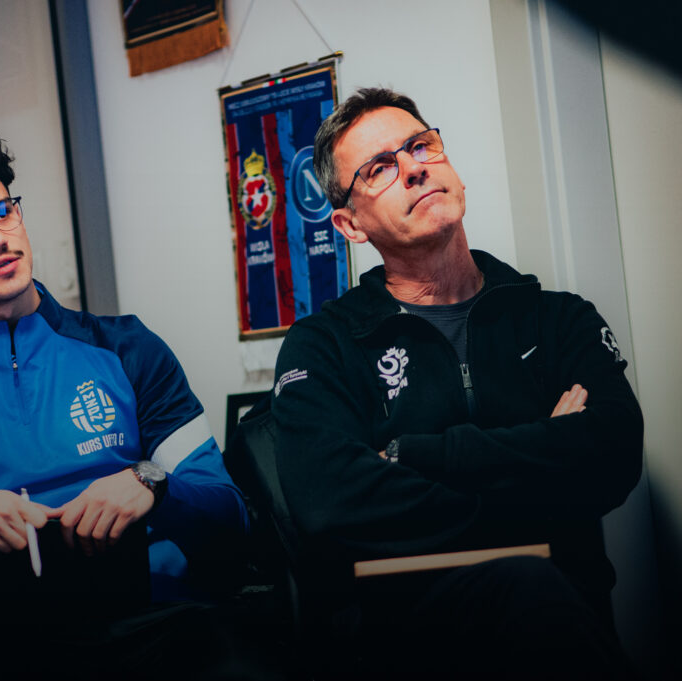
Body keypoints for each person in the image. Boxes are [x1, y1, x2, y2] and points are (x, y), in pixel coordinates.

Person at [270, 87, 643, 678]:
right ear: (350, 224)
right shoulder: (324, 346)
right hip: (410, 645)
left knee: (539, 594)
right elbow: (328, 503)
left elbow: (616, 451)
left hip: (565, 622)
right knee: (525, 584)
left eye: (421, 146)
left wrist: (416, 455)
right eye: (379, 168)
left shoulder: (559, 319)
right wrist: (545, 467)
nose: (414, 168)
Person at [0, 135, 268, 679]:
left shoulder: (127, 348)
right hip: (2, 647)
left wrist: (154, 485)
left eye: (1, 213)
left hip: (157, 627)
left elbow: (232, 523)